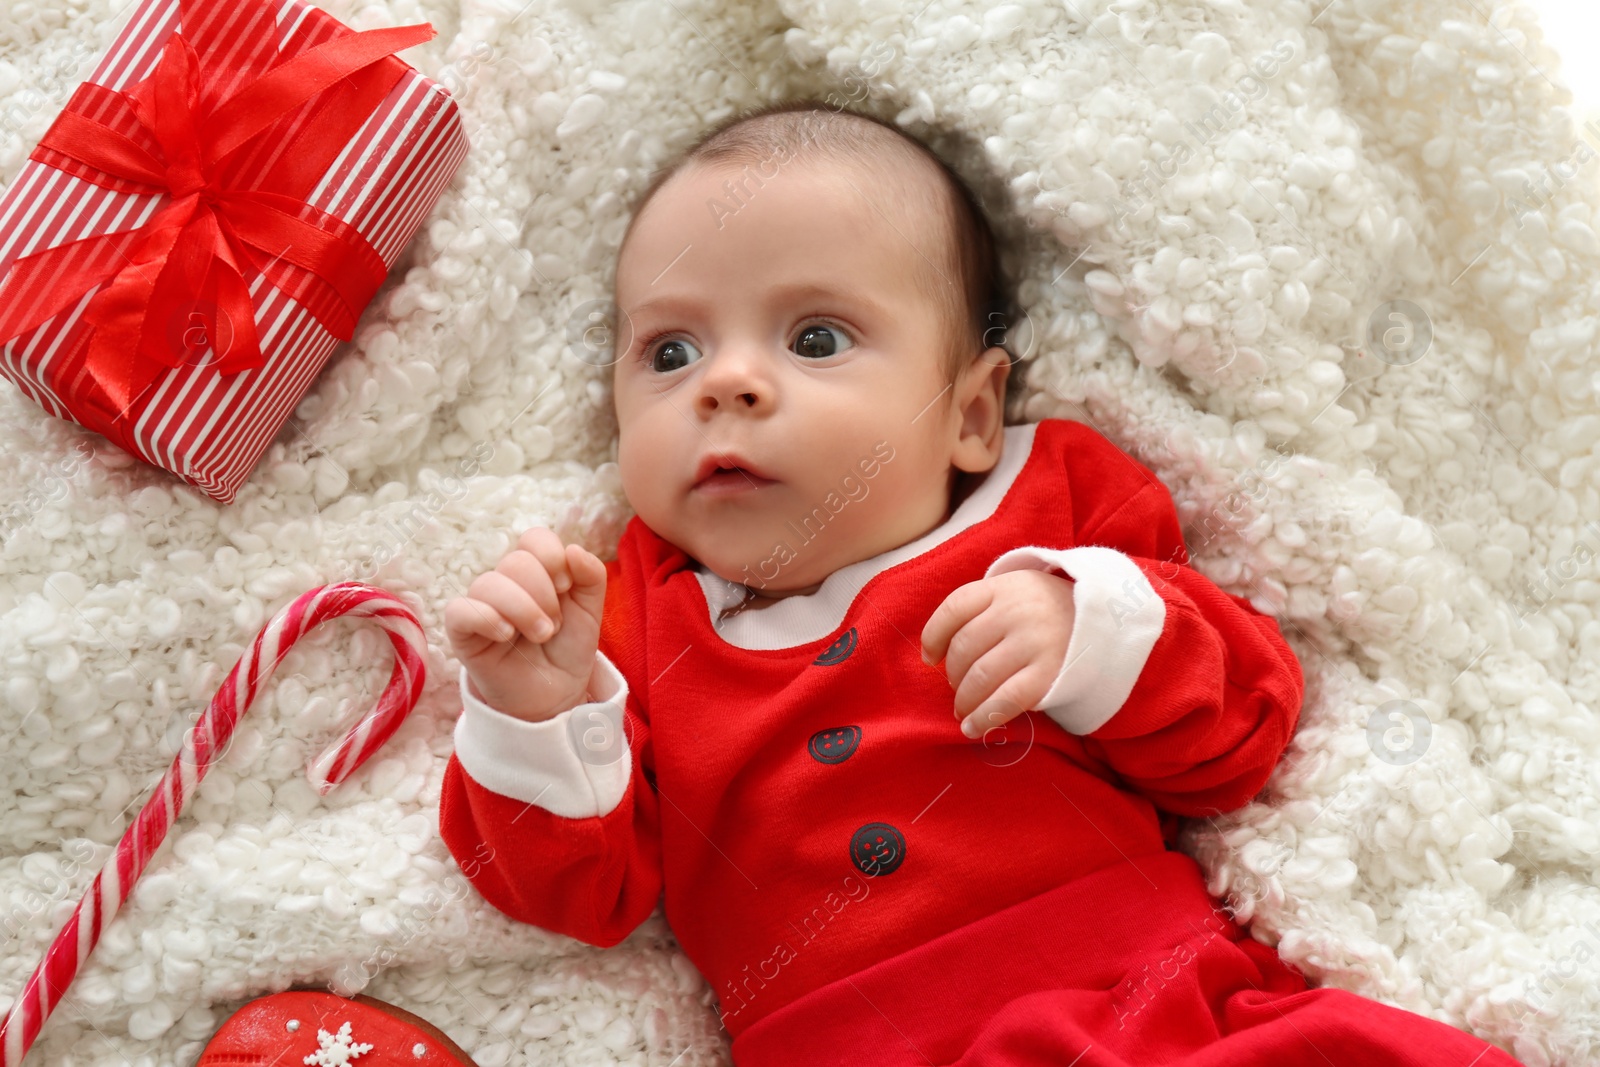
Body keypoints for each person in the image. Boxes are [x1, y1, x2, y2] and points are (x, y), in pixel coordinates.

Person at [437, 100, 1525, 1066]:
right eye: (668, 353)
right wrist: (532, 706)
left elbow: (1239, 733)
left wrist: (1092, 631)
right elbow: (577, 893)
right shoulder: (630, 606)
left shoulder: (1049, 501)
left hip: (1141, 1003)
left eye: (815, 337)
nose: (725, 382)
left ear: (966, 414)